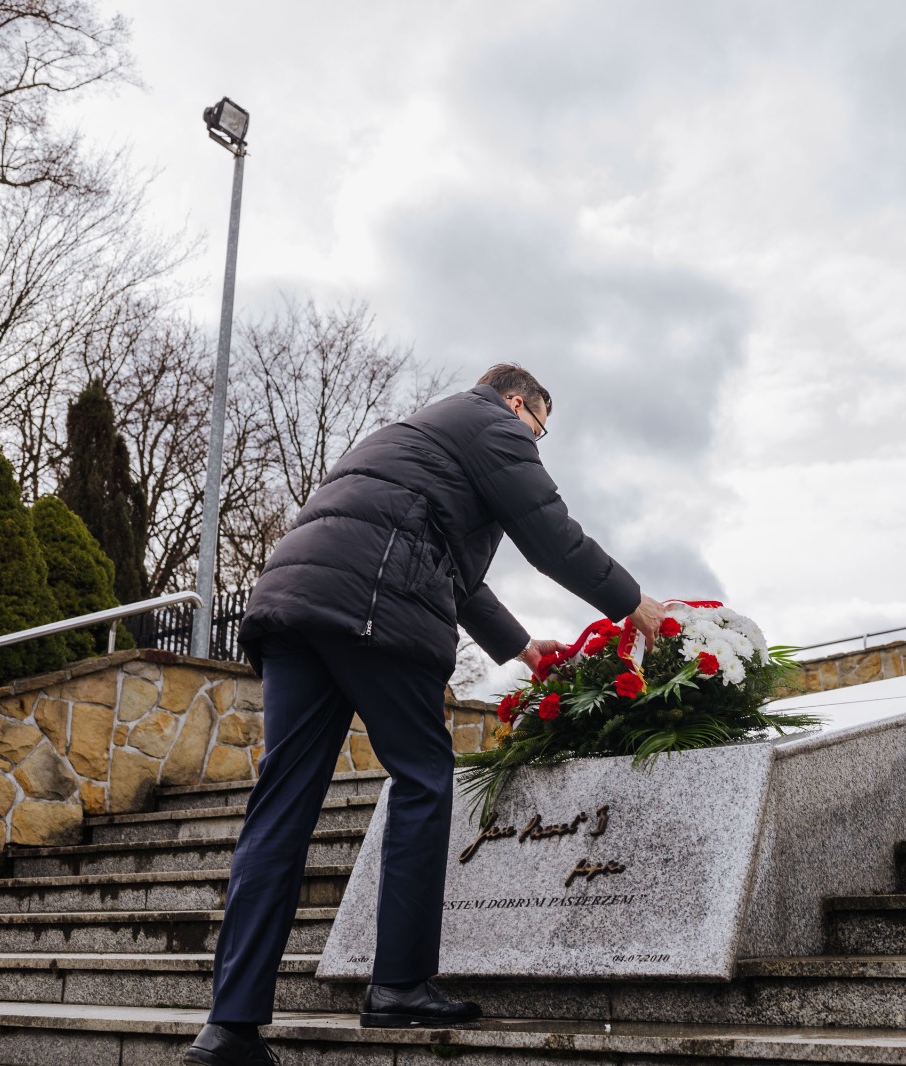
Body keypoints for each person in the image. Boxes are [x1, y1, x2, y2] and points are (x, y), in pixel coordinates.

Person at [184, 364, 664, 1066]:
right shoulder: (496, 426)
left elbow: (455, 573)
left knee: (280, 804)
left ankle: (229, 1026)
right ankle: (399, 986)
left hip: (294, 606)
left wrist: (524, 649)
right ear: (517, 400)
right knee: (423, 778)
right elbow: (549, 534)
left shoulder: (412, 437)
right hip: (375, 605)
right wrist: (633, 602)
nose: (538, 440)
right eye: (541, 425)